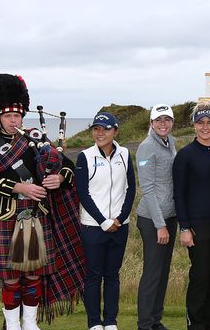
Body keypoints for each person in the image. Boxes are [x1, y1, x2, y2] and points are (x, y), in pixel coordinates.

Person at [0, 72, 85, 330]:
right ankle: (12, 325)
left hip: (35, 213)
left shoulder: (35, 139)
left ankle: (30, 324)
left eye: (18, 116)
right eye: (9, 116)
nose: (14, 121)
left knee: (33, 273)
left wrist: (60, 179)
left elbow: (66, 165)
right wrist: (19, 186)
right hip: (6, 215)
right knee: (10, 277)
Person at [173, 99, 210, 330]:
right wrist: (185, 228)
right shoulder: (185, 155)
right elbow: (179, 195)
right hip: (197, 226)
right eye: (201, 123)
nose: (205, 127)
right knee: (199, 276)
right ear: (194, 125)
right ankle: (196, 323)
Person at [75, 112, 137, 330]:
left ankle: (110, 321)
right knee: (93, 275)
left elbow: (130, 189)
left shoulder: (125, 154)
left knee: (112, 275)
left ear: (115, 131)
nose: (100, 133)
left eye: (105, 129)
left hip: (120, 225)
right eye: (96, 129)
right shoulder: (85, 156)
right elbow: (83, 193)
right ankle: (94, 323)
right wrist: (103, 221)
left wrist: (119, 218)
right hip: (93, 226)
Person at [136, 104, 178, 330]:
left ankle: (155, 321)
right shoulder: (146, 147)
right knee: (152, 273)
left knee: (163, 272)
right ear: (151, 123)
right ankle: (144, 324)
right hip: (152, 220)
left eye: (167, 120)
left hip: (170, 217)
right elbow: (148, 189)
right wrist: (160, 225)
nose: (163, 124)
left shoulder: (171, 143)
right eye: (159, 120)